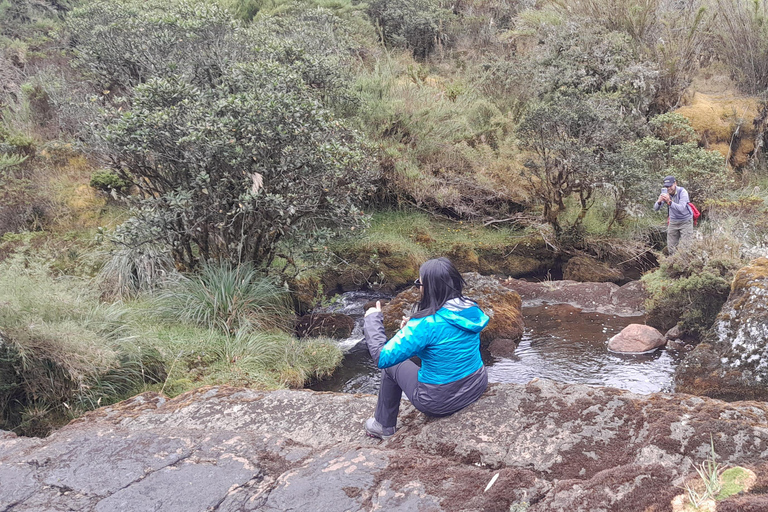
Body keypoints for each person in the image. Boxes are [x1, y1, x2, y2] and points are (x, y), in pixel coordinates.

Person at [362, 257, 489, 439]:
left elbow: (382, 357)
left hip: (439, 401)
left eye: (418, 284)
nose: (418, 288)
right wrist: (411, 329)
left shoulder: (424, 324)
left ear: (430, 288)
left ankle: (383, 426)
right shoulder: (471, 309)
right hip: (476, 384)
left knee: (391, 367)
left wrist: (372, 319)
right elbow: (444, 342)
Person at [654, 175, 693, 255]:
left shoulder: (683, 192)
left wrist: (669, 202)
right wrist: (659, 201)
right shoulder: (665, 193)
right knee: (671, 247)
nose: (668, 188)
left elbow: (681, 208)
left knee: (686, 247)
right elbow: (656, 208)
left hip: (686, 221)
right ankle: (673, 264)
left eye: (670, 186)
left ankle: (686, 264)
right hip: (673, 222)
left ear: (675, 183)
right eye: (666, 186)